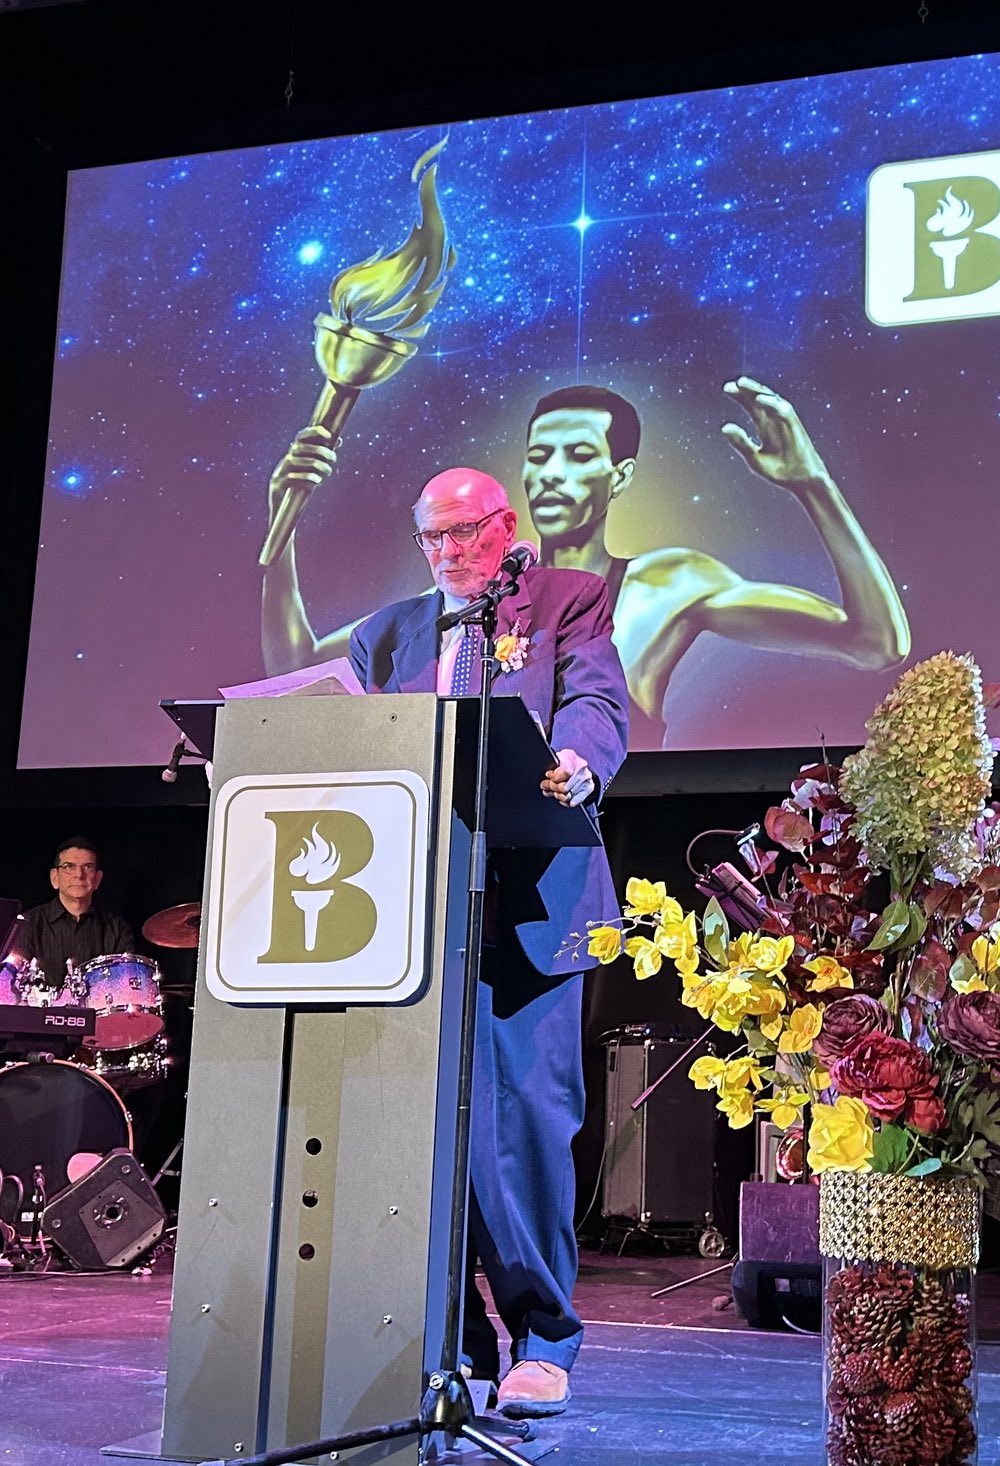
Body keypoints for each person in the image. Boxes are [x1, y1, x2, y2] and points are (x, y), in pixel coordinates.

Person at [348, 465, 628, 1419]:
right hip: (413, 914)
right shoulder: (385, 635)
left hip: (534, 903)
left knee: (527, 1127)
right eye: (434, 537)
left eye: (467, 531)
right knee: (420, 1132)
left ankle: (543, 1339)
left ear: (506, 527)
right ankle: (451, 1343)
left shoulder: (567, 599)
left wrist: (580, 761)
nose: (450, 552)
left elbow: (595, 704)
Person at [261, 376, 910, 747]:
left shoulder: (665, 583)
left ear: (619, 474)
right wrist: (281, 529)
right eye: (539, 456)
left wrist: (813, 485)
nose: (552, 473)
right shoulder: (464, 603)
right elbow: (295, 671)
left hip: (600, 840)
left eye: (578, 455)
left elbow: (875, 641)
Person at [10, 837, 136, 986]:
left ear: (97, 879)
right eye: (69, 866)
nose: (79, 875)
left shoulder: (117, 929)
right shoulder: (27, 924)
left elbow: (125, 987)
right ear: (55, 878)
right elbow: (13, 984)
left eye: (88, 867)